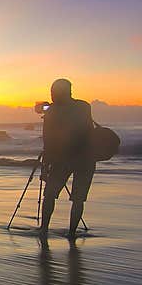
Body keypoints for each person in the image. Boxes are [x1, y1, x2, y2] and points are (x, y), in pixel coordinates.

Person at [39, 78, 95, 241]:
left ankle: (44, 229)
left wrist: (46, 163)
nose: (52, 95)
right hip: (87, 158)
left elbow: (48, 138)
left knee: (49, 194)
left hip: (63, 157)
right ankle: (72, 233)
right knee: (78, 199)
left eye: (53, 92)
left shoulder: (53, 111)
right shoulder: (84, 106)